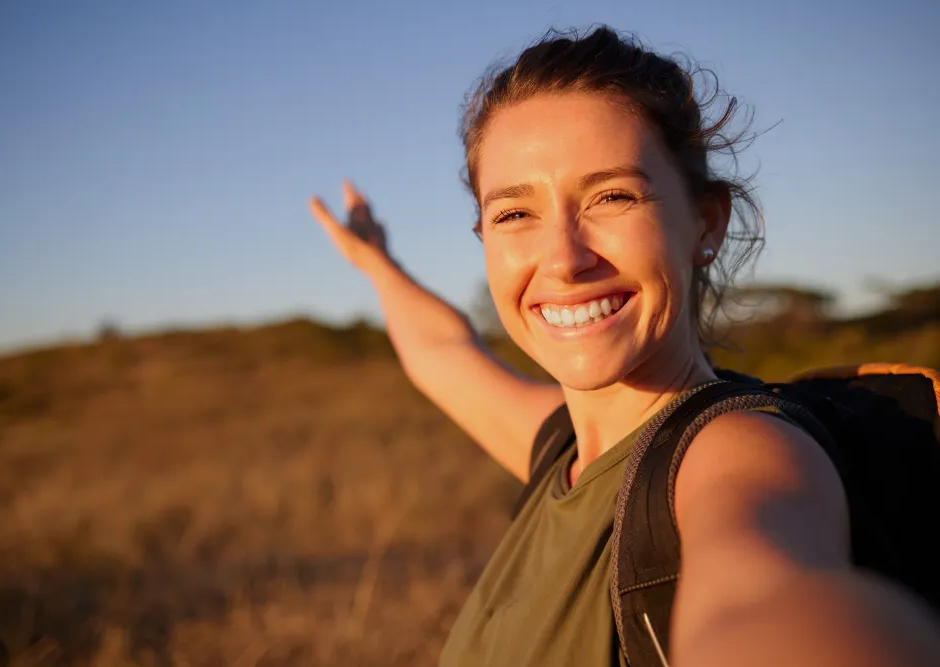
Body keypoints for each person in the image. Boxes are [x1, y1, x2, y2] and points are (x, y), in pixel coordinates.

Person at [309, 25, 940, 667]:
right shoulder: (563, 447)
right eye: (513, 214)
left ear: (706, 221)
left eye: (612, 196)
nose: (562, 259)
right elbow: (443, 356)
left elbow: (766, 600)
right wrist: (377, 264)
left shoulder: (737, 451)